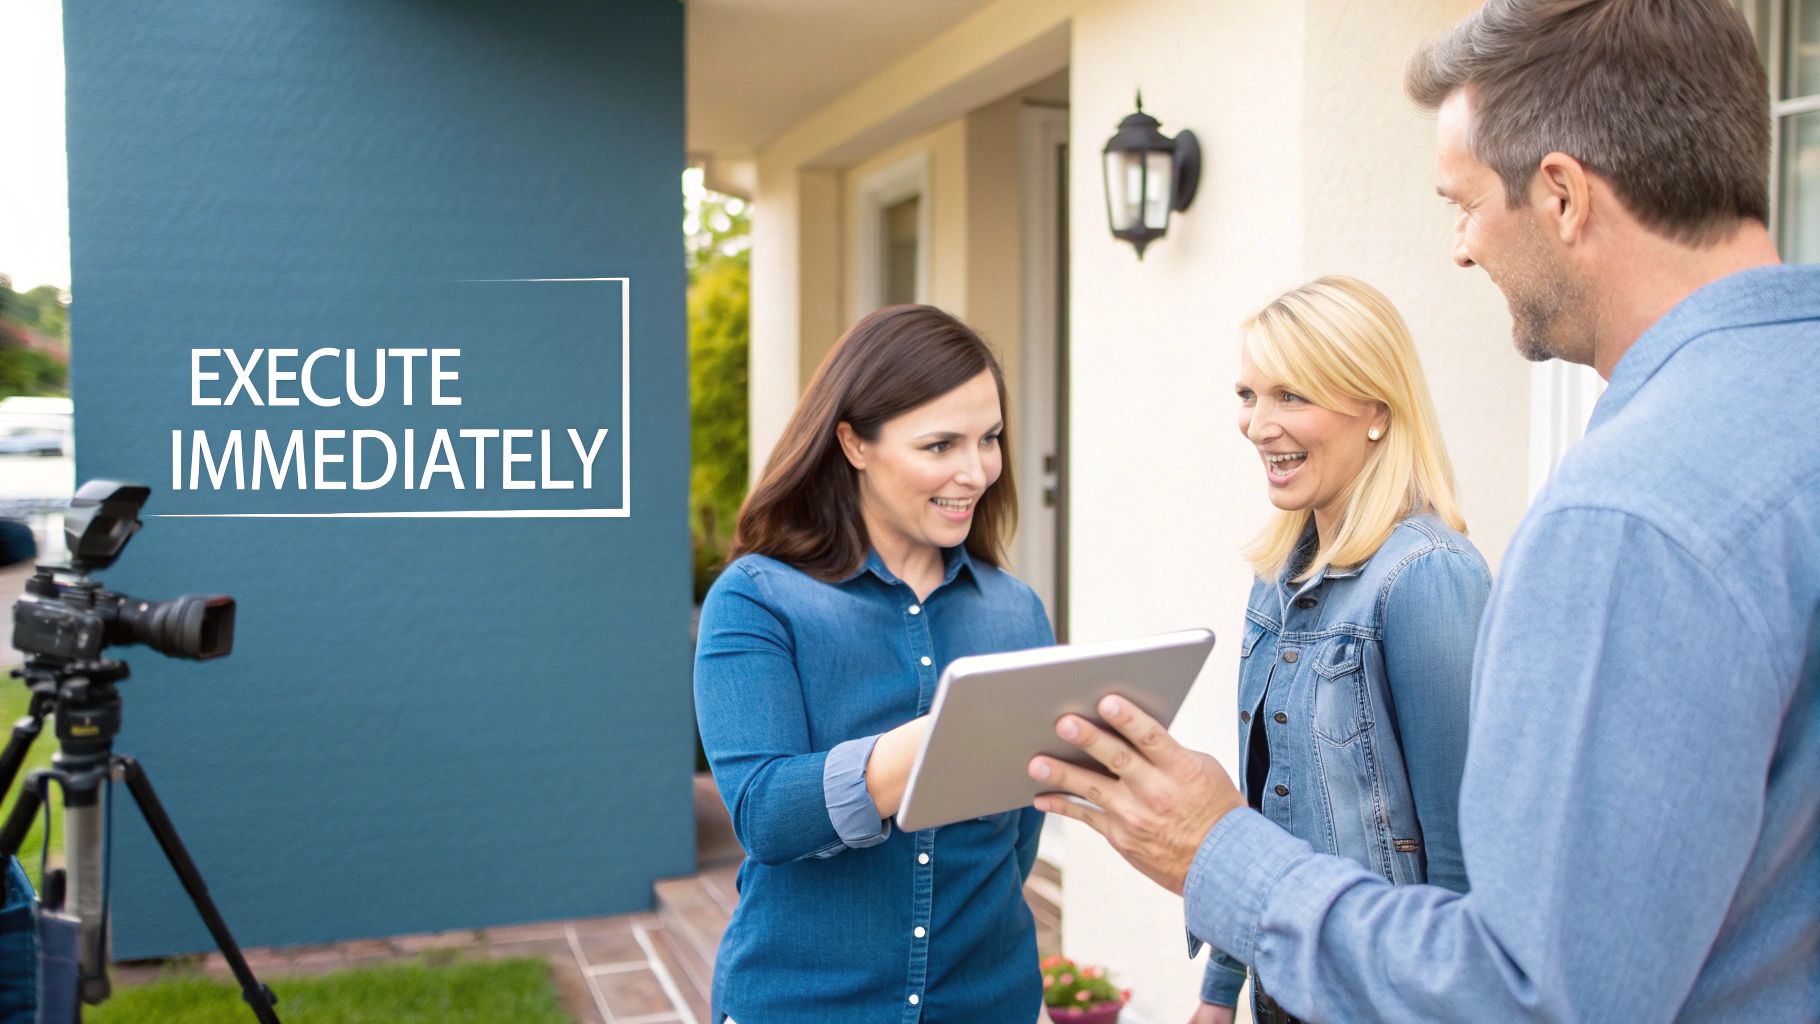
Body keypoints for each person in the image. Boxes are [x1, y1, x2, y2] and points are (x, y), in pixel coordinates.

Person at [1028, 1, 1818, 1020]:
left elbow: (1527, 993)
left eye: (1463, 203)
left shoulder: (1619, 520)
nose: (1458, 249)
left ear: (1562, 195)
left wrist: (1216, 854)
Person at [694, 304, 1053, 1024]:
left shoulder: (1015, 612)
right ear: (854, 443)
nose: (975, 471)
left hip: (989, 1004)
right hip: (802, 1006)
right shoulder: (760, 598)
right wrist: (956, 731)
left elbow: (1015, 840)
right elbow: (767, 815)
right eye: (939, 445)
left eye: (989, 439)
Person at [1191, 277, 1489, 1024]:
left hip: (1384, 999)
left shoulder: (1426, 577)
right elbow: (1264, 804)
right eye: (1249, 394)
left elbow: (1462, 865)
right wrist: (1220, 991)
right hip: (1283, 987)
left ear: (1376, 412)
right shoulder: (1277, 580)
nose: (1258, 425)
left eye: (1292, 396)